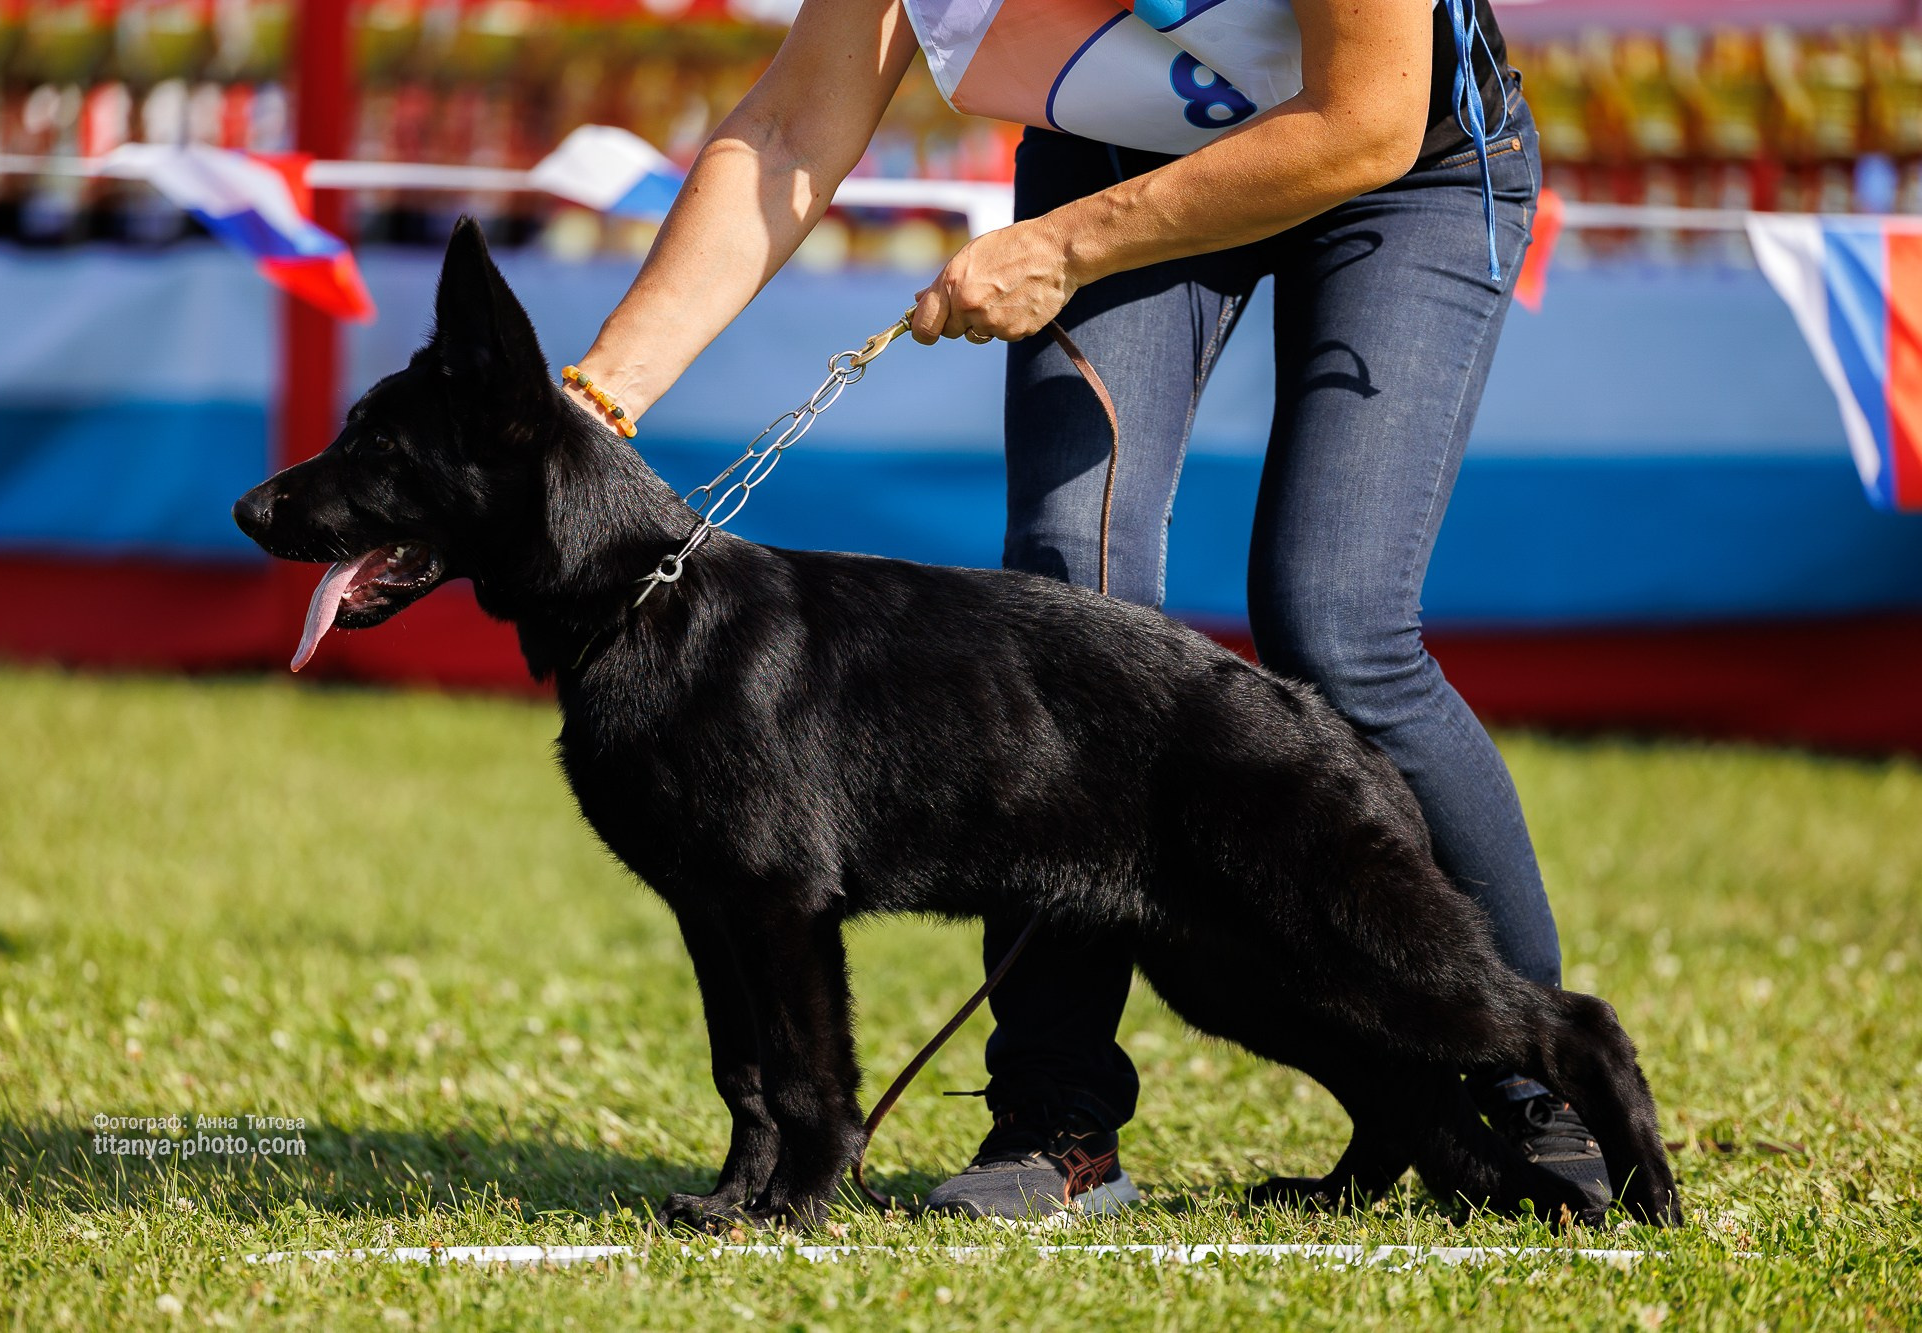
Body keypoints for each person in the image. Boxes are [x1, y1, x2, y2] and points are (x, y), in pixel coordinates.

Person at [560, 0, 1610, 1220]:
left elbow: (1359, 124)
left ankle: (1533, 1084)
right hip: (1117, 149)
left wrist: (1060, 248)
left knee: (1335, 622)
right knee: (1067, 594)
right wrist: (596, 401)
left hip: (1394, 160)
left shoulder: (1379, 135)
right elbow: (792, 126)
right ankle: (1056, 1122)